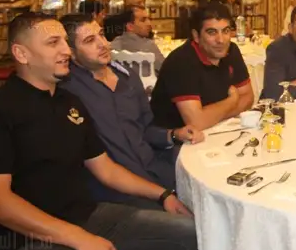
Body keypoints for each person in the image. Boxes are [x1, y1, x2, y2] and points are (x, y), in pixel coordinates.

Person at [0, 12, 201, 250]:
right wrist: (77, 237)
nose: (66, 50)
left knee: (191, 233)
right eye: (53, 43)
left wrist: (163, 195)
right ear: (21, 53)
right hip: (20, 242)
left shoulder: (70, 103)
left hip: (84, 217)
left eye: (65, 41)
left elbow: (106, 170)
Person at [59, 14, 204, 209]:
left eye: (101, 34)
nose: (102, 44)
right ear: (71, 52)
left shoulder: (127, 77)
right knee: (192, 224)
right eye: (89, 40)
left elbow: (146, 129)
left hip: (156, 170)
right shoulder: (67, 91)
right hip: (118, 193)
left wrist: (173, 134)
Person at [151, 2, 254, 130]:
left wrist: (212, 116)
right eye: (212, 32)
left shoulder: (231, 51)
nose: (221, 40)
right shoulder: (181, 62)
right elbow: (197, 123)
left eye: (226, 31)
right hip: (177, 138)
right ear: (196, 36)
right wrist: (232, 100)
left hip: (217, 130)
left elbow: (248, 98)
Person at [109, 6, 165, 75]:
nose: (149, 23)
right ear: (130, 27)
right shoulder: (149, 45)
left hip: (123, 81)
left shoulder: (114, 43)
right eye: (143, 20)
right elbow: (165, 68)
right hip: (150, 81)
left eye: (149, 19)